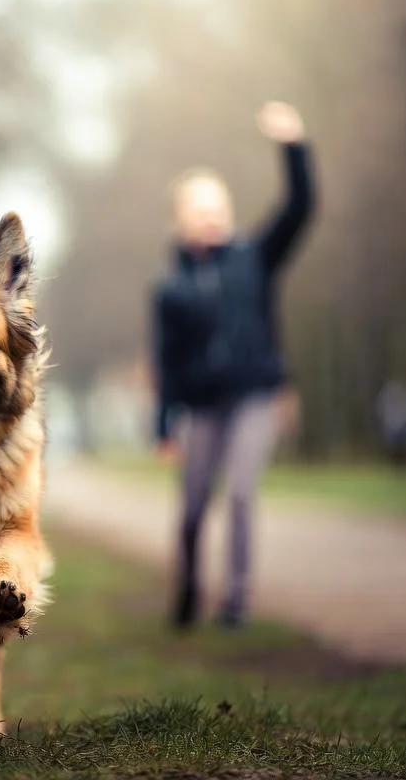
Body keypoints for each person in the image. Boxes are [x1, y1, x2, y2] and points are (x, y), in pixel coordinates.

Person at [152, 101, 315, 630]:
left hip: (253, 396)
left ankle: (237, 600)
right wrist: (163, 427)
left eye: (217, 204)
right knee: (195, 504)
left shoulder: (255, 257)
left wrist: (293, 147)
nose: (211, 214)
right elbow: (167, 362)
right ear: (180, 221)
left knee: (242, 493)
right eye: (199, 208)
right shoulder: (170, 290)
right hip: (201, 405)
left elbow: (299, 208)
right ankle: (189, 589)